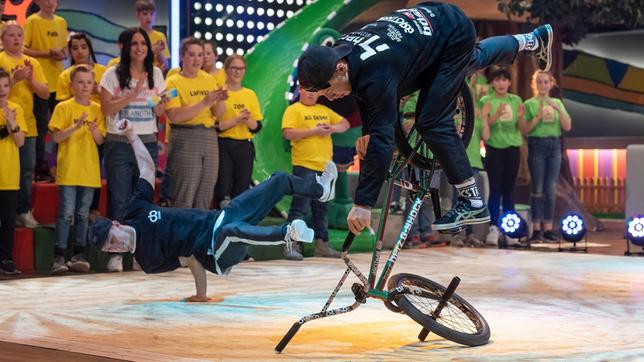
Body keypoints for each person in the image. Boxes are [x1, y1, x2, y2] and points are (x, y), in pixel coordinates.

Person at [296, 2, 553, 236]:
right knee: (471, 59)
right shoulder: (344, 51)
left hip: (450, 33)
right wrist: (368, 132)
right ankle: (531, 40)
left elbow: (382, 133)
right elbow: (364, 92)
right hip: (429, 24)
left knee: (431, 121)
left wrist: (363, 203)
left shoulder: (376, 72)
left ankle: (472, 200)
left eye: (328, 91)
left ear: (340, 69)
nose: (330, 98)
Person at [89, 119, 337, 301]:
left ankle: (321, 191)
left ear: (116, 225)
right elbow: (190, 259)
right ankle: (288, 234)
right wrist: (201, 294)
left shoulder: (136, 210)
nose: (115, 246)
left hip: (222, 217)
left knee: (280, 181)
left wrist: (132, 135)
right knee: (230, 231)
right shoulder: (148, 261)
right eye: (109, 248)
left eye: (112, 240)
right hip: (215, 254)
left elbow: (146, 169)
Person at [100, 27, 167, 272]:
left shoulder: (156, 74)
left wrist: (163, 104)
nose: (139, 48)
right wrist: (133, 94)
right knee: (120, 198)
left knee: (142, 200)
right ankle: (117, 252)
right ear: (126, 48)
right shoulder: (111, 74)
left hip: (147, 140)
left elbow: (158, 111)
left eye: (143, 43)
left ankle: (139, 253)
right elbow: (107, 110)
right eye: (134, 43)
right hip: (118, 141)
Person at [281, 86, 349, 260]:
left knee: (322, 209)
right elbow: (288, 133)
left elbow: (345, 124)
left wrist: (331, 128)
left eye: (314, 90)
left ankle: (322, 245)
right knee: (299, 208)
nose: (311, 93)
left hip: (325, 167)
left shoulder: (324, 109)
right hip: (304, 165)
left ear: (319, 92)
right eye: (307, 90)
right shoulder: (294, 109)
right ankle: (291, 246)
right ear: (300, 91)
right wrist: (314, 131)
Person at [49, 66, 105, 274]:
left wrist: (94, 130)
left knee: (83, 214)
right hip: (69, 169)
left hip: (89, 170)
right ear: (71, 85)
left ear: (93, 85)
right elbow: (56, 137)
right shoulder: (63, 107)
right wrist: (75, 126)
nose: (84, 86)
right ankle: (59, 256)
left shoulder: (98, 109)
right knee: (66, 213)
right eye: (80, 82)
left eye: (88, 82)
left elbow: (100, 141)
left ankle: (79, 255)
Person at [165, 37, 227, 209]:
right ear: (182, 57)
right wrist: (204, 103)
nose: (197, 59)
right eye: (192, 55)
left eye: (200, 55)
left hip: (209, 136)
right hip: (185, 136)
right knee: (185, 194)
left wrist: (220, 100)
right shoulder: (172, 82)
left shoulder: (209, 79)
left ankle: (199, 235)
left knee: (205, 193)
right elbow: (174, 116)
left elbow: (219, 114)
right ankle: (180, 235)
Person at [0, 21, 49, 229]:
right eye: (11, 35)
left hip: (26, 122)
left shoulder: (32, 62)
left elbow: (45, 93)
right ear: (2, 39)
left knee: (27, 169)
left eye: (19, 34)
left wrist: (29, 80)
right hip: (3, 120)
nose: (17, 38)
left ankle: (23, 211)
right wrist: (14, 79)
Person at [524, 70, 572, 243]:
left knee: (550, 188)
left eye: (546, 82)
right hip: (537, 144)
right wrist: (538, 116)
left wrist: (557, 109)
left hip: (554, 145)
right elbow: (525, 129)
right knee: (537, 188)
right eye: (539, 82)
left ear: (551, 84)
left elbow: (567, 126)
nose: (543, 85)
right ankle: (536, 229)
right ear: (534, 84)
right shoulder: (529, 103)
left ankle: (549, 229)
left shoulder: (557, 102)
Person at [23, 0, 68, 182]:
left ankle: (62, 165)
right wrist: (46, 53)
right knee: (41, 126)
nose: (51, 3)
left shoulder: (61, 22)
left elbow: (65, 49)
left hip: (60, 82)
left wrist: (61, 54)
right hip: (40, 82)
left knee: (62, 126)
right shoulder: (32, 21)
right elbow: (24, 49)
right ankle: (39, 166)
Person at [481, 68, 526, 246]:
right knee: (495, 190)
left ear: (509, 82)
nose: (501, 83)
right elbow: (485, 126)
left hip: (513, 149)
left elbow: (522, 128)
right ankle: (493, 228)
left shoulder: (515, 100)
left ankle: (510, 229)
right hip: (493, 149)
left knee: (509, 190)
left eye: (504, 80)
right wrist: (496, 115)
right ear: (492, 83)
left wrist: (522, 117)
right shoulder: (487, 100)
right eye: (497, 80)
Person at [214, 55, 263, 209]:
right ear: (226, 70)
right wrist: (236, 119)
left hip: (244, 146)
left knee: (242, 188)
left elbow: (257, 127)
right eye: (233, 68)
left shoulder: (250, 94)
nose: (237, 72)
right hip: (224, 144)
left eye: (240, 68)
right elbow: (216, 125)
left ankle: (238, 225)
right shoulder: (220, 93)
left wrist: (247, 120)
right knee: (223, 186)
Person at [0, 68, 27, 276]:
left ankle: (6, 259)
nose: (3, 90)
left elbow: (19, 142)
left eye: (6, 85)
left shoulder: (16, 108)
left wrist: (12, 122)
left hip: (9, 175)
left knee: (8, 220)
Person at [56, 33, 107, 104]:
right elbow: (63, 105)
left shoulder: (104, 71)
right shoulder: (64, 76)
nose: (80, 51)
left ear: (89, 50)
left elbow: (114, 98)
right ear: (70, 52)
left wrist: (98, 91)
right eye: (75, 49)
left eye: (84, 47)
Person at [135, 0, 169, 72]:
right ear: (137, 15)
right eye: (145, 14)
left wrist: (158, 53)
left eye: (152, 14)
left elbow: (166, 65)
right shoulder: (132, 35)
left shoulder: (160, 36)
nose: (149, 17)